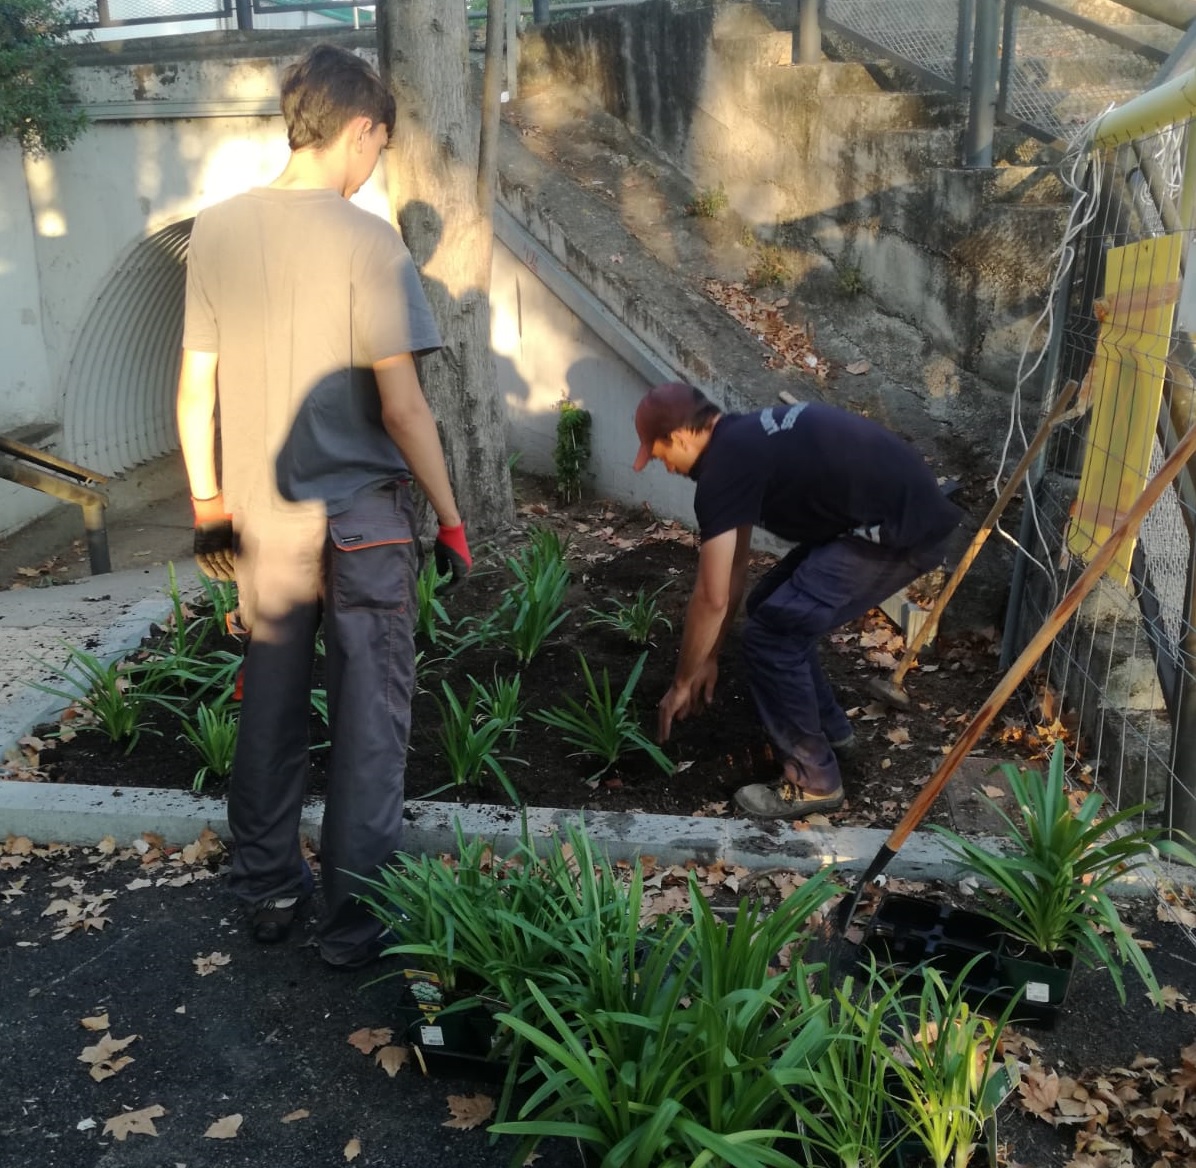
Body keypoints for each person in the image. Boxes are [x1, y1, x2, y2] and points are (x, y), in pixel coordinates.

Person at [176, 44, 471, 967]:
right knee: (370, 722)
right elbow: (402, 407)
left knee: (268, 707)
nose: (375, 164)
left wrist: (208, 505)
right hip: (365, 524)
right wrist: (454, 518)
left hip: (265, 522)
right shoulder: (368, 242)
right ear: (361, 128)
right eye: (378, 145)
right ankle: (354, 925)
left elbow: (196, 395)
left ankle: (267, 888)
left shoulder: (215, 231)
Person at [633, 382, 961, 818]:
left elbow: (710, 597)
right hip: (890, 516)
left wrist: (680, 683)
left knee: (772, 637)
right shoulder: (742, 441)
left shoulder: (723, 469)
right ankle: (832, 732)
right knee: (769, 605)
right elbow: (732, 574)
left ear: (679, 437)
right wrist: (707, 656)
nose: (666, 467)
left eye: (659, 455)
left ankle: (814, 781)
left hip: (896, 534)